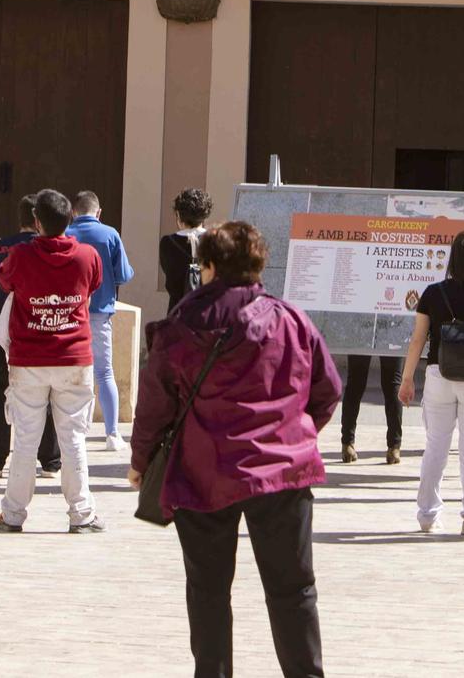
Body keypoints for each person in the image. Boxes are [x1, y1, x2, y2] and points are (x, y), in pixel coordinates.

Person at [130, 222, 340, 678]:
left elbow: (155, 404)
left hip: (203, 470)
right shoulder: (290, 318)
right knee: (294, 589)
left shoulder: (183, 324)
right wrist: (296, 433)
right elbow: (328, 389)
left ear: (206, 265)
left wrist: (141, 460)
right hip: (282, 471)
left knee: (207, 591)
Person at [0, 189, 103, 532]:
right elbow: (93, 288)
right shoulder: (87, 256)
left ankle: (13, 515)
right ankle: (81, 514)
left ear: (36, 221)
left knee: (25, 440)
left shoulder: (20, 255)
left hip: (29, 359)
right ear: (71, 216)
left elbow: (5, 280)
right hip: (74, 358)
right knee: (73, 439)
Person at [399, 230, 464, 535]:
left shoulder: (432, 294)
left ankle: (428, 515)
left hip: (439, 375)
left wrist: (407, 379)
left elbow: (417, 339)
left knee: (435, 447)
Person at [0, 196, 59, 478]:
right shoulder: (48, 247)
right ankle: (50, 461)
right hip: (40, 327)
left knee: (1, 394)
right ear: (39, 220)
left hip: (5, 330)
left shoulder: (3, 244)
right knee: (46, 394)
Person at [67, 192, 135, 452]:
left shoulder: (65, 233)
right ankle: (112, 433)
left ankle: (75, 430)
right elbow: (123, 275)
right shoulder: (110, 234)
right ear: (99, 212)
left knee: (72, 374)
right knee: (104, 372)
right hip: (100, 311)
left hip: (69, 311)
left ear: (74, 211)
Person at [337, 354, 402, 466]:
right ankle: (394, 447)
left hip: (361, 336)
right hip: (391, 337)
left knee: (355, 382)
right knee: (392, 383)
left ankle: (347, 443)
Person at [159, 187, 212, 319]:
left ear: (178, 214)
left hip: (177, 313)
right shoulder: (215, 240)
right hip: (208, 314)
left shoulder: (168, 242)